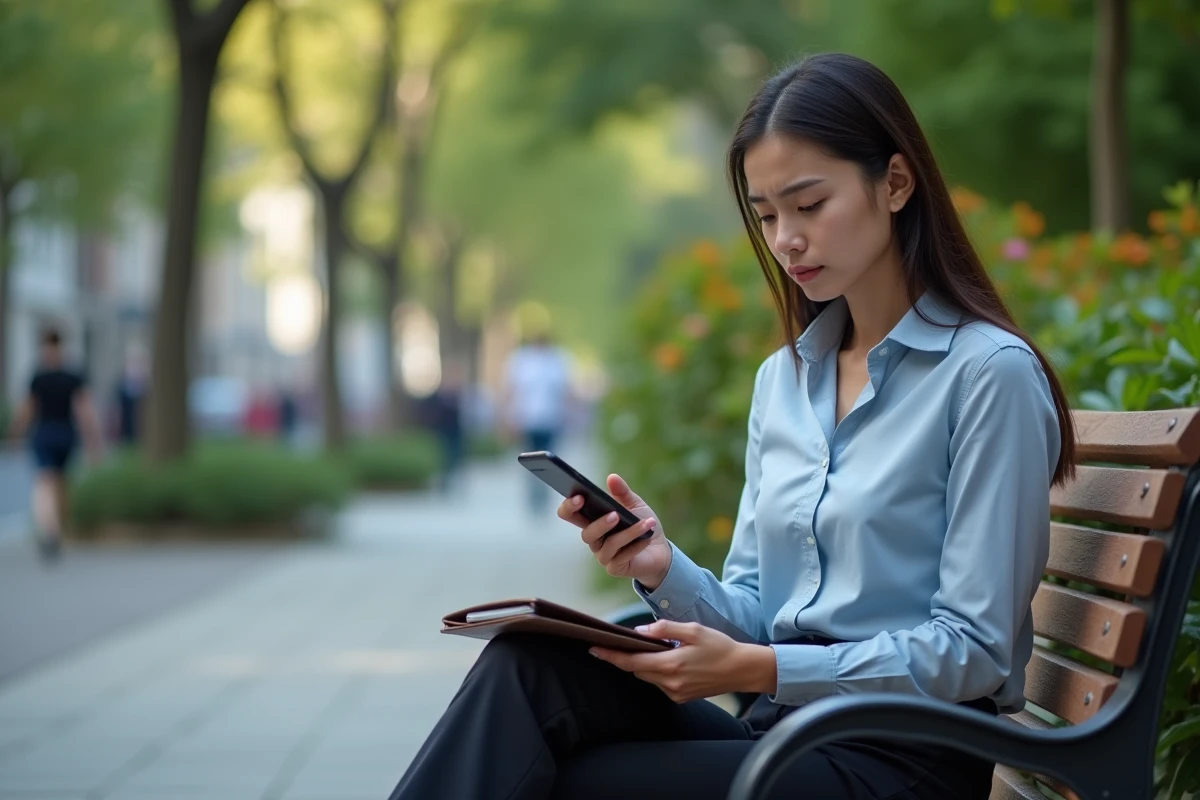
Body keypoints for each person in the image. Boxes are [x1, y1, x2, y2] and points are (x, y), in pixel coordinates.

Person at [388, 53, 1076, 800]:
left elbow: (973, 649)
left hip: (902, 762)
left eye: (810, 205)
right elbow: (755, 609)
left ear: (897, 183)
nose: (786, 240)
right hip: (784, 734)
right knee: (529, 668)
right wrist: (657, 565)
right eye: (768, 214)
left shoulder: (987, 375)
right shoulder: (784, 381)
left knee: (572, 780)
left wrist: (765, 670)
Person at [9, 328, 104, 559]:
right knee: (49, 481)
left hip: (48, 432)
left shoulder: (40, 377)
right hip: (64, 433)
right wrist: (93, 440)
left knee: (52, 484)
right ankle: (51, 530)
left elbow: (27, 409)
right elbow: (84, 411)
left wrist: (15, 432)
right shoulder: (71, 376)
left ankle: (52, 528)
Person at [501, 331, 573, 511]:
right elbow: (512, 390)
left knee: (549, 460)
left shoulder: (557, 360)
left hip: (550, 419)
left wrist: (566, 414)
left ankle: (543, 497)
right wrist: (509, 417)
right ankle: (533, 497)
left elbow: (564, 390)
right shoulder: (520, 360)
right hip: (527, 419)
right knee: (530, 459)